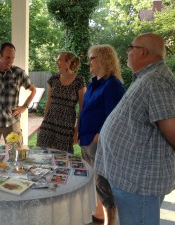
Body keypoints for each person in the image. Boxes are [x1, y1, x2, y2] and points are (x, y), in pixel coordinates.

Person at [95, 33, 175, 225]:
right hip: (132, 178)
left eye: (131, 48)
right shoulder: (147, 76)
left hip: (139, 182)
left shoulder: (155, 80)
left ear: (143, 52)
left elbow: (173, 130)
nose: (128, 52)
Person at [78, 44, 125, 225]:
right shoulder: (93, 83)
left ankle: (110, 221)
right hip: (86, 140)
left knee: (103, 184)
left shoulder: (113, 85)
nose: (88, 62)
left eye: (92, 58)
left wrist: (98, 136)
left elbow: (115, 117)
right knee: (93, 182)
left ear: (104, 59)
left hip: (98, 143)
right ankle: (97, 216)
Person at [36, 51, 86, 153]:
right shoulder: (53, 79)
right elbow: (49, 103)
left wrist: (76, 131)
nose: (56, 62)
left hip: (66, 127)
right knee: (42, 154)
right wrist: (44, 122)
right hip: (48, 124)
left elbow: (82, 108)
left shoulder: (79, 80)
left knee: (62, 158)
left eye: (59, 60)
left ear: (68, 62)